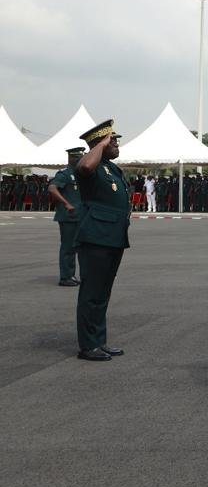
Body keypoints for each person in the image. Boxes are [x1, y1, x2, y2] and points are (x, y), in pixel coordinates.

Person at [73, 120, 130, 362]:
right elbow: (85, 165)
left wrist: (103, 144)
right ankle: (88, 346)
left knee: (102, 293)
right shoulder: (90, 164)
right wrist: (100, 144)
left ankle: (99, 340)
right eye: (112, 140)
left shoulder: (109, 168)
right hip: (96, 236)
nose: (116, 143)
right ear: (100, 143)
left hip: (113, 237)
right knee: (91, 293)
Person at [48, 147, 85, 287]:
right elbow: (52, 188)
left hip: (80, 216)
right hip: (68, 216)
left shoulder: (80, 173)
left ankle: (72, 275)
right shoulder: (64, 173)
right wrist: (66, 203)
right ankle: (65, 277)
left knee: (77, 248)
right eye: (78, 158)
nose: (80, 160)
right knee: (68, 248)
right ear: (71, 158)